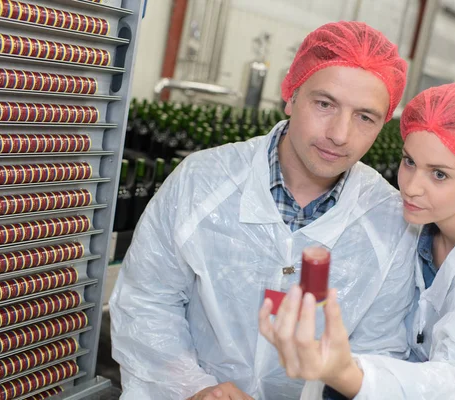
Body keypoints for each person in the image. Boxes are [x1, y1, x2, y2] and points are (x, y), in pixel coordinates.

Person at [109, 21, 417, 400]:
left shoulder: (390, 221)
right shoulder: (202, 181)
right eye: (325, 104)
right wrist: (193, 388)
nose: (340, 133)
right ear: (291, 95)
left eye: (364, 117)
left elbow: (380, 354)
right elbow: (147, 300)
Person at [259, 83, 455, 399]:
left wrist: (347, 375)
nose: (411, 187)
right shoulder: (417, 230)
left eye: (439, 174)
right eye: (409, 162)